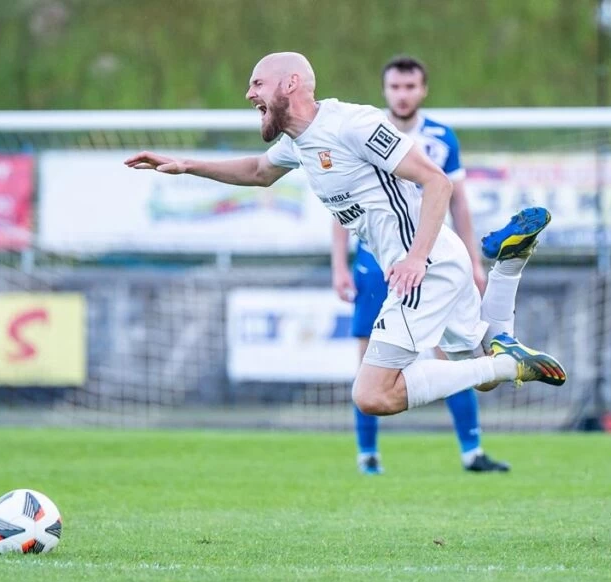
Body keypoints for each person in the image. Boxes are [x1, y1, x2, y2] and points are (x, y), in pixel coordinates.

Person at [124, 52, 566, 432]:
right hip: (435, 260)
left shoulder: (354, 124)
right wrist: (186, 165)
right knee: (484, 373)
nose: (249, 94)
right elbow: (258, 171)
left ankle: (509, 353)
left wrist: (416, 259)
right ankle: (510, 266)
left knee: (373, 394)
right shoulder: (299, 141)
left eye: (257, 83)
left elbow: (438, 182)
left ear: (290, 83)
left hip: (423, 266)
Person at [331, 55, 502, 475]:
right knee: (368, 359)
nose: (402, 95)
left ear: (423, 90)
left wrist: (474, 262)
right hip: (376, 262)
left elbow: (457, 202)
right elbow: (340, 205)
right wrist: (339, 266)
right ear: (384, 90)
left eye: (410, 87)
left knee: (450, 355)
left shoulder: (441, 138)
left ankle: (472, 451)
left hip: (434, 259)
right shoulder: (362, 131)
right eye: (395, 87)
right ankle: (368, 455)